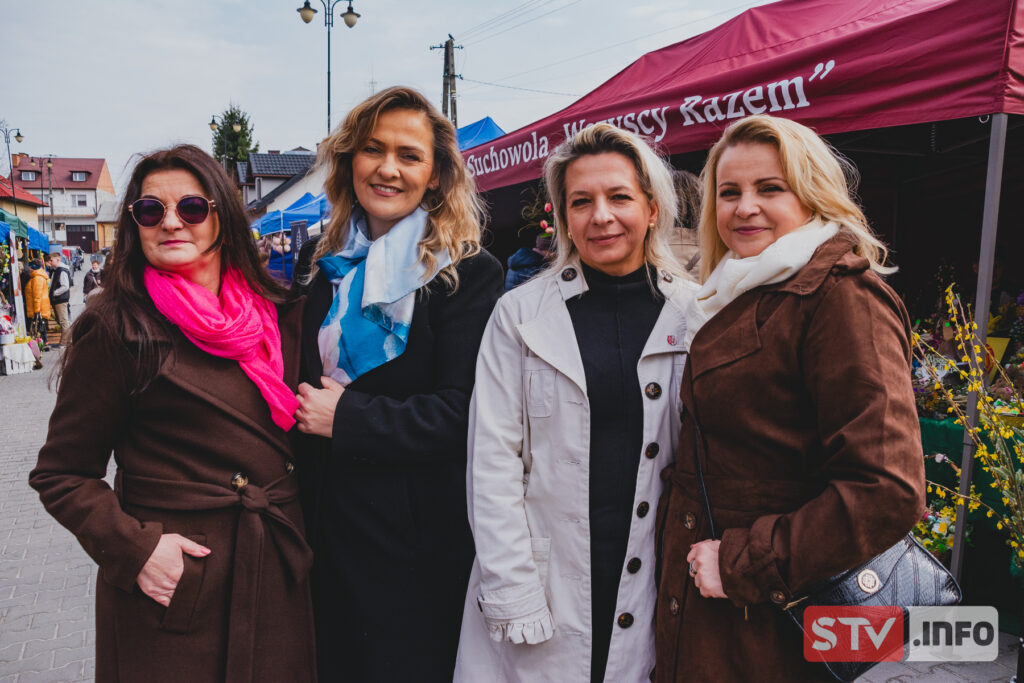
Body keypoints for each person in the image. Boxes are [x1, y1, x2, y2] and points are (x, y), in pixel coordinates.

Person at [29, 144, 316, 683]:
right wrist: (137, 550)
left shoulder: (275, 315)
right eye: (150, 210)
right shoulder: (115, 327)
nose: (170, 222)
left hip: (273, 570)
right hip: (178, 588)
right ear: (134, 225)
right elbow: (61, 474)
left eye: (191, 207)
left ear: (222, 218)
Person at [653, 115, 925, 682]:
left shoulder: (844, 296)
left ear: (811, 195)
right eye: (729, 192)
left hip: (772, 616)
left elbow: (887, 490)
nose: (745, 207)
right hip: (714, 614)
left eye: (770, 188)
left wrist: (744, 562)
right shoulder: (738, 289)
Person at [455, 123, 696, 683]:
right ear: (563, 218)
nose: (601, 216)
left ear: (652, 209)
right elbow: (492, 462)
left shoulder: (696, 314)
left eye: (619, 197)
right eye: (581, 202)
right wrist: (512, 587)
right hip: (542, 574)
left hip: (650, 572)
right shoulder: (520, 315)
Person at [291, 86, 504, 682]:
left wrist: (349, 419)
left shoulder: (467, 272)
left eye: (409, 156)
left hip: (412, 548)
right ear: (349, 161)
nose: (388, 168)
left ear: (435, 176)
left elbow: (469, 413)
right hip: (321, 531)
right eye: (373, 149)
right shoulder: (323, 262)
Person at [24, 258, 51, 351]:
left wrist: (36, 311)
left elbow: (37, 296)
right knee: (40, 327)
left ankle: (43, 344)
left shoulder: (37, 278)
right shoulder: (36, 277)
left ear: (33, 267)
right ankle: (44, 343)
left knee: (39, 327)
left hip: (38, 308)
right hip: (39, 307)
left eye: (29, 267)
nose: (28, 268)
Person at [46, 251, 72, 348]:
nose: (50, 262)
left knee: (63, 322)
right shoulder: (57, 270)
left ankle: (64, 343)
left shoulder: (61, 271)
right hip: (58, 300)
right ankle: (69, 341)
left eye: (51, 260)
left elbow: (65, 286)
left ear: (58, 259)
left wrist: (54, 293)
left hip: (61, 300)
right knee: (63, 321)